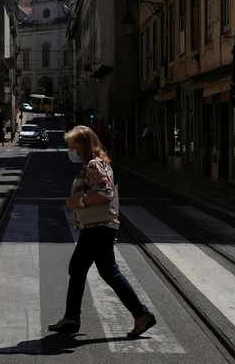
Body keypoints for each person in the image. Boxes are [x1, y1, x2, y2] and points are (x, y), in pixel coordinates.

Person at [48, 125, 157, 338]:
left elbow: (106, 194)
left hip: (98, 226)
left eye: (73, 146)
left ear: (83, 146)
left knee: (108, 271)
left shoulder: (93, 165)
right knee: (78, 268)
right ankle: (71, 317)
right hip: (96, 226)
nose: (71, 151)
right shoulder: (99, 162)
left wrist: (78, 202)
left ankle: (141, 314)